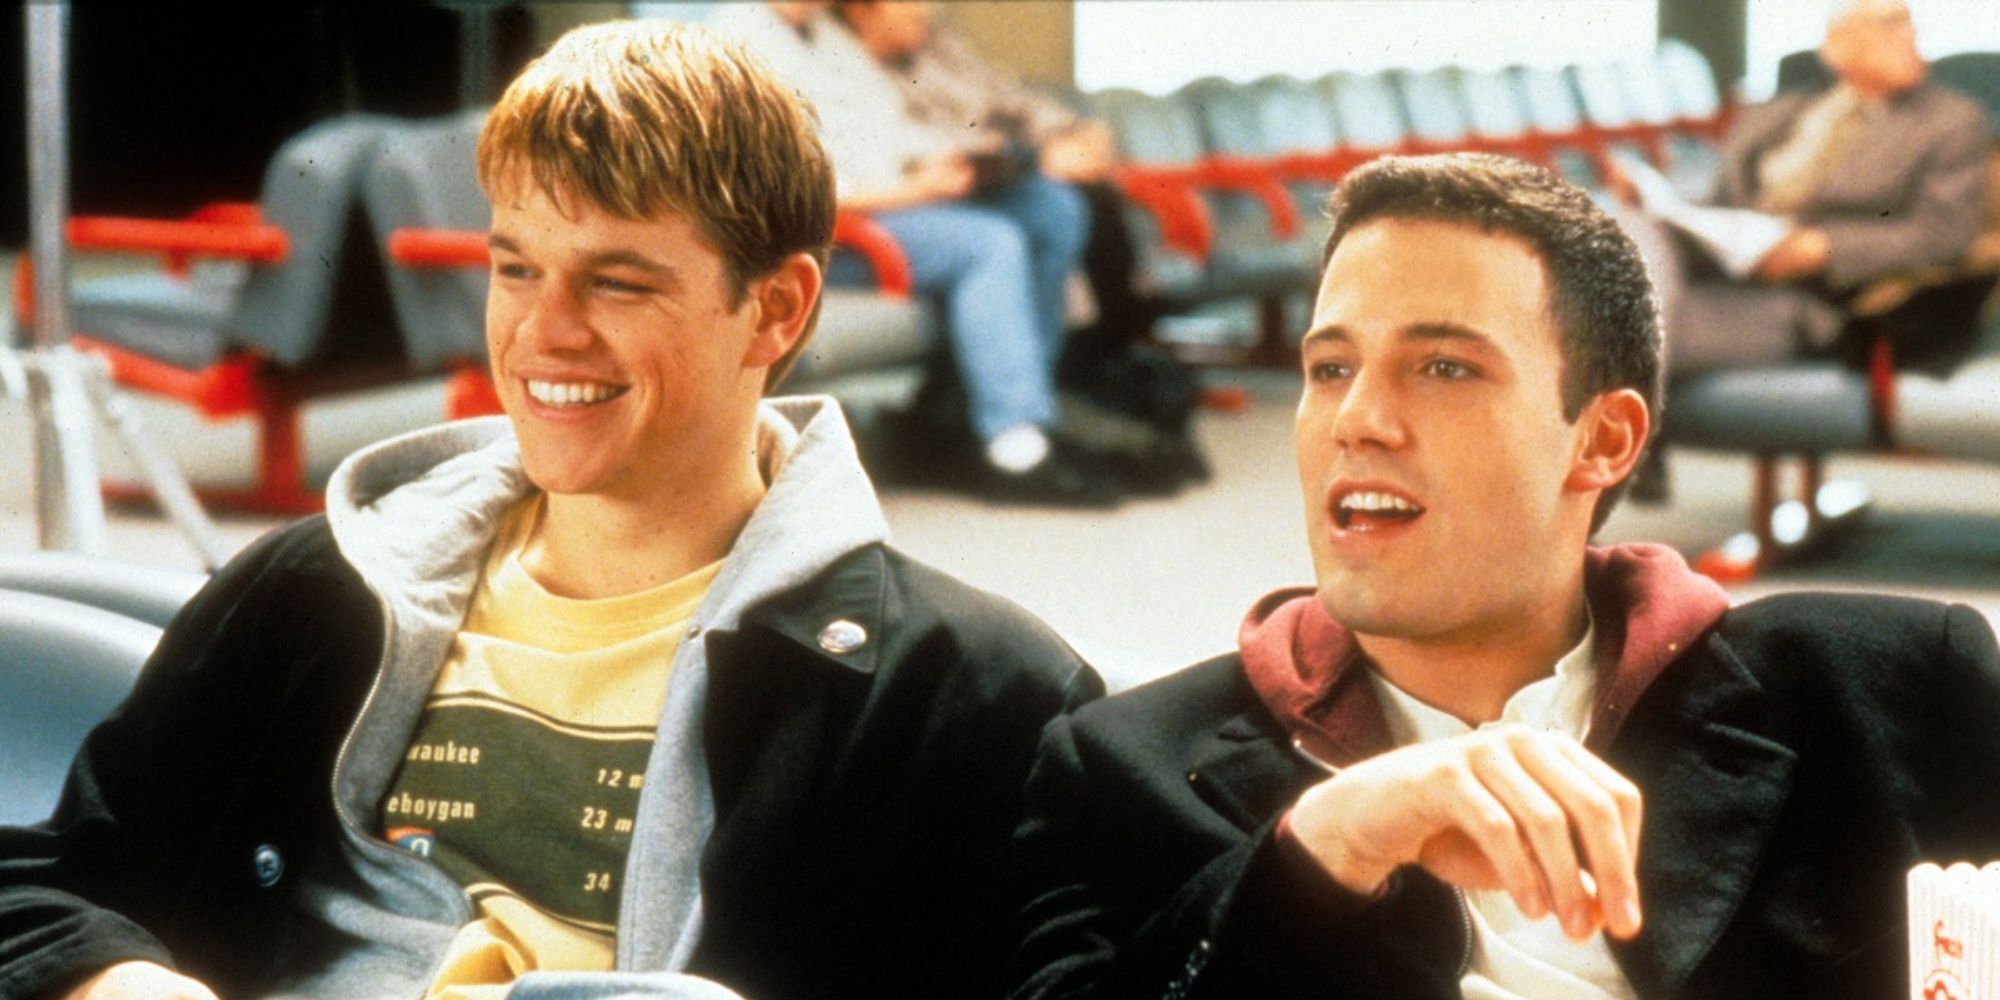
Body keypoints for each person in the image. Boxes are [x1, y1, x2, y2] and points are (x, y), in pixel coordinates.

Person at [0, 22, 1100, 1000]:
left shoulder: (968, 694)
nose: (543, 335)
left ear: (774, 308)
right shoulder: (313, 591)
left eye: (617, 283)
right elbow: (45, 882)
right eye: (515, 269)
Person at [1009, 153, 2000, 999]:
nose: (1356, 418)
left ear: (1600, 439)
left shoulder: (1888, 686)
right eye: (1328, 368)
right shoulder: (1116, 766)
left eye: (1441, 366)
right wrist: (1321, 852)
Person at [711, 2, 1116, 506]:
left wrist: (959, 156)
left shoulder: (827, 38)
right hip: (826, 237)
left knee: (1052, 207)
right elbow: (788, 194)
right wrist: (916, 190)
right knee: (988, 242)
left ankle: (1004, 407)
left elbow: (894, 130)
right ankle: (1016, 445)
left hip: (898, 204)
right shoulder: (734, 40)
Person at [1638, 0, 1990, 378]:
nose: (1909, 36)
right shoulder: (1780, 112)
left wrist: (1825, 248)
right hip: (1725, 267)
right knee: (1636, 230)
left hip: (1812, 298)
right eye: (1890, 23)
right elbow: (1721, 201)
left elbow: (1946, 232)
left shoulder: (1950, 122)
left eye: (1910, 23)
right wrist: (1661, 202)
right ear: (1836, 46)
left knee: (1631, 338)